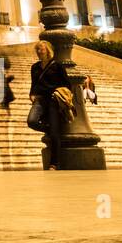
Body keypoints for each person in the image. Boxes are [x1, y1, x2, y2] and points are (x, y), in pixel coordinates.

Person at [28, 40, 72, 170]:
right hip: (40, 100)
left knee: (54, 135)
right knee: (31, 121)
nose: (39, 52)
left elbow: (67, 84)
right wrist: (31, 94)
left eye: (41, 49)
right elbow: (34, 84)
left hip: (53, 100)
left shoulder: (57, 66)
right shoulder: (35, 67)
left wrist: (58, 92)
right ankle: (50, 128)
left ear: (47, 50)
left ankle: (54, 163)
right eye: (37, 49)